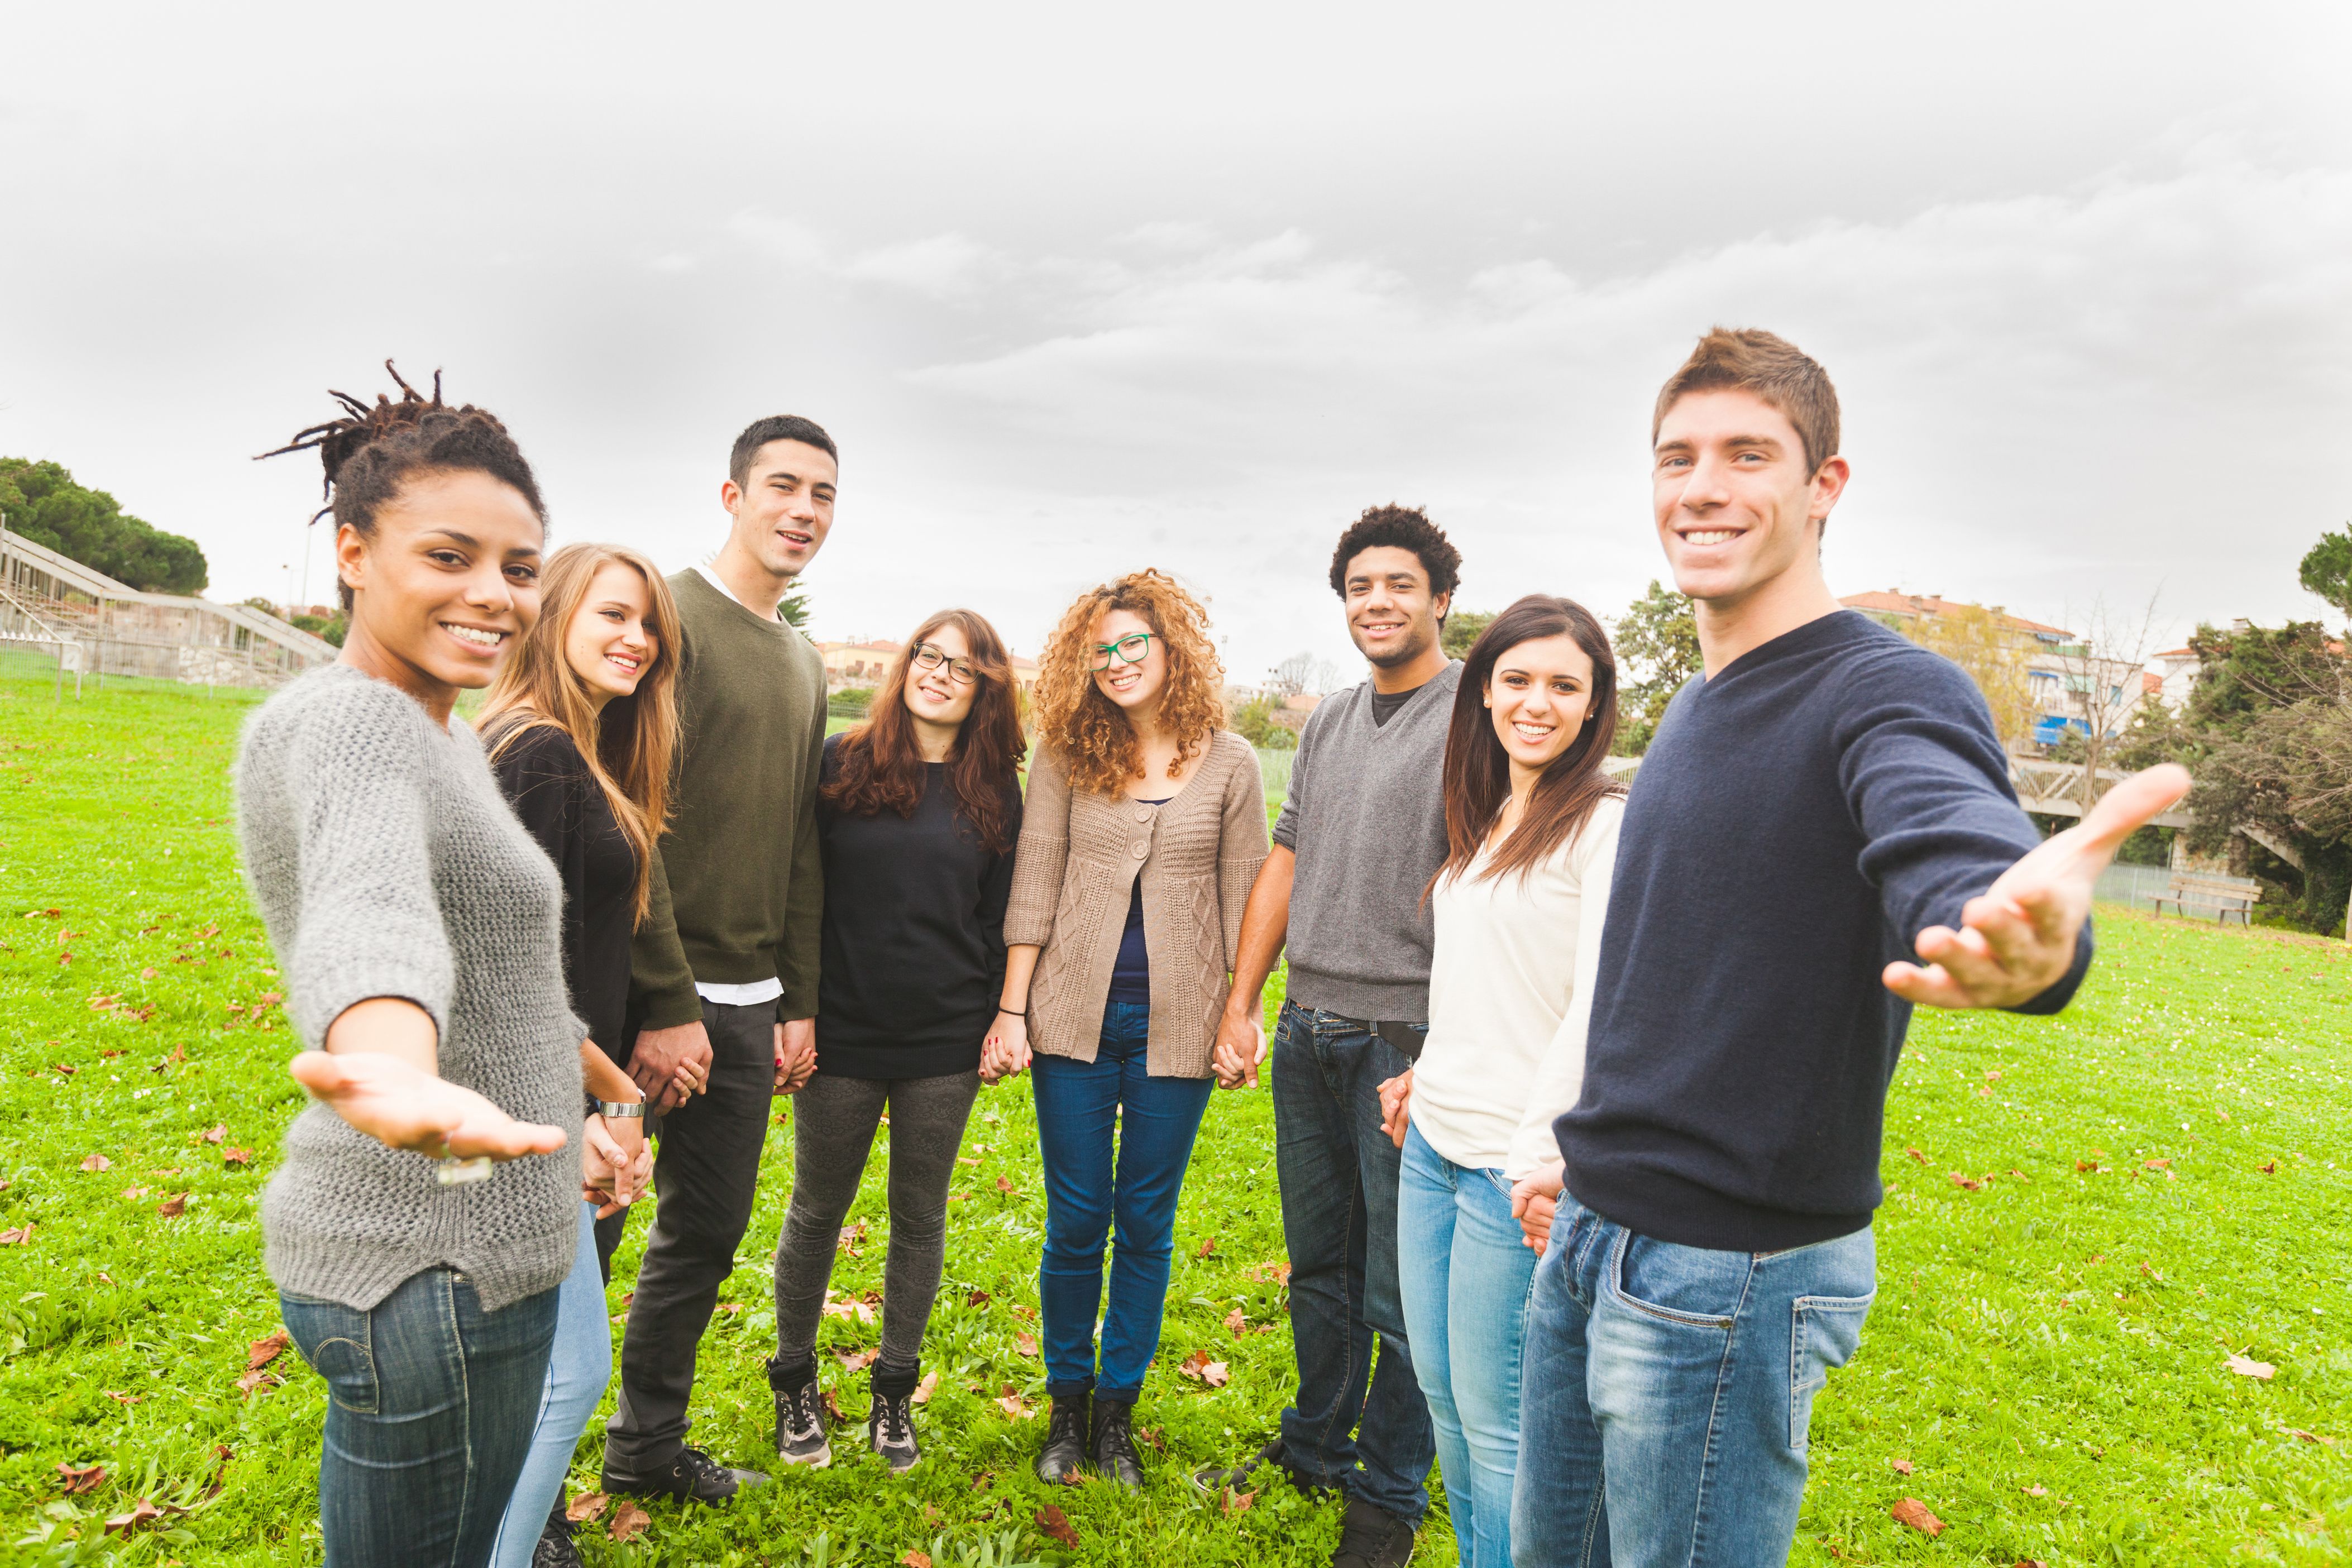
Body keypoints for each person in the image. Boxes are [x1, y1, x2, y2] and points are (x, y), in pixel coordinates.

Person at [1508, 328, 2190, 1566]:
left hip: (1725, 1280)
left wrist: (2006, 928)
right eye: (1677, 456)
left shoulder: (1887, 689)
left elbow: (1943, 825)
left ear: (1824, 487)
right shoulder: (1706, 704)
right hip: (1596, 1232)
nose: (1702, 486)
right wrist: (1592, 1156)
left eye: (1747, 454)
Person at [241, 368, 596, 1567]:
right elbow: (370, 907)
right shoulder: (354, 724)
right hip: (429, 1267)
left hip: (467, 1253)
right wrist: (393, 1062)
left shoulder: (436, 732)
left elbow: (485, 959)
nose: (493, 595)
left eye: (518, 567)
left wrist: (587, 1085)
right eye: (450, 556)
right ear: (353, 552)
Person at [1195, 507, 1457, 1568]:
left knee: (1404, 1285)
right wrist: (1242, 1001)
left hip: (1411, 1035)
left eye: (1399, 585)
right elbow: (1289, 856)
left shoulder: (1476, 714)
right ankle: (1312, 1444)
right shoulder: (1330, 721)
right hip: (1308, 1030)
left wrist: (1452, 1046)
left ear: (1441, 598)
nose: (1377, 603)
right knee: (1319, 1263)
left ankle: (1389, 1493)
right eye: (1359, 587)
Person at [984, 570, 1268, 1490]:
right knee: (1077, 1219)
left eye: (1131, 645)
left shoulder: (1231, 763)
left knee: (1145, 1219)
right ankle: (1065, 1408)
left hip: (1177, 1026)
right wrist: (1013, 1010)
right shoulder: (1067, 758)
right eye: (1099, 650)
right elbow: (1036, 881)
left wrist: (1242, 1013)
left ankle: (1117, 1415)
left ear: (1170, 648)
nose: (1114, 662)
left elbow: (1245, 897)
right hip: (1072, 1018)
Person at [601, 416, 838, 1505]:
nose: (803, 510)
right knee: (582, 1238)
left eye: (823, 495)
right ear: (733, 495)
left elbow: (798, 839)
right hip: (633, 1001)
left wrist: (795, 997)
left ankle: (646, 1452)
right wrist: (660, 1000)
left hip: (749, 1010)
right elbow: (622, 821)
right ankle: (531, 1499)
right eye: (783, 486)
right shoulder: (667, 621)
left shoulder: (800, 657)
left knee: (703, 1238)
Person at [1379, 596, 1623, 1568]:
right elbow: (1484, 981)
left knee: (1504, 1429)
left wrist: (1541, 1159)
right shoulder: (1490, 816)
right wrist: (1424, 1073)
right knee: (1444, 1408)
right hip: (1432, 1144)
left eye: (1565, 685)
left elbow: (1600, 1004)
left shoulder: (1606, 824)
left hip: (1509, 1172)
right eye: (1518, 680)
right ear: (1484, 691)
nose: (1538, 702)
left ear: (1595, 704)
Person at [766, 611, 1026, 1476]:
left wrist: (999, 1017)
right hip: (839, 1032)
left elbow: (996, 923)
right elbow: (799, 891)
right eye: (928, 656)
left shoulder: (997, 791)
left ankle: (893, 1393)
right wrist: (793, 1007)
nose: (939, 674)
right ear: (905, 665)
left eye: (962, 666)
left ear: (985, 689)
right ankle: (794, 1383)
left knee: (918, 1220)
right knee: (816, 1210)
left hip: (944, 1042)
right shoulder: (842, 763)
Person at [477, 544, 680, 1568]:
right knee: (561, 1375)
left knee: (545, 1371)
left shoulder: (580, 749)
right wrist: (613, 1103)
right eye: (612, 614)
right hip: (529, 1102)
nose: (636, 639)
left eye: (648, 624)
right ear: (554, 616)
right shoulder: (536, 754)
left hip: (556, 1096)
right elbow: (508, 972)